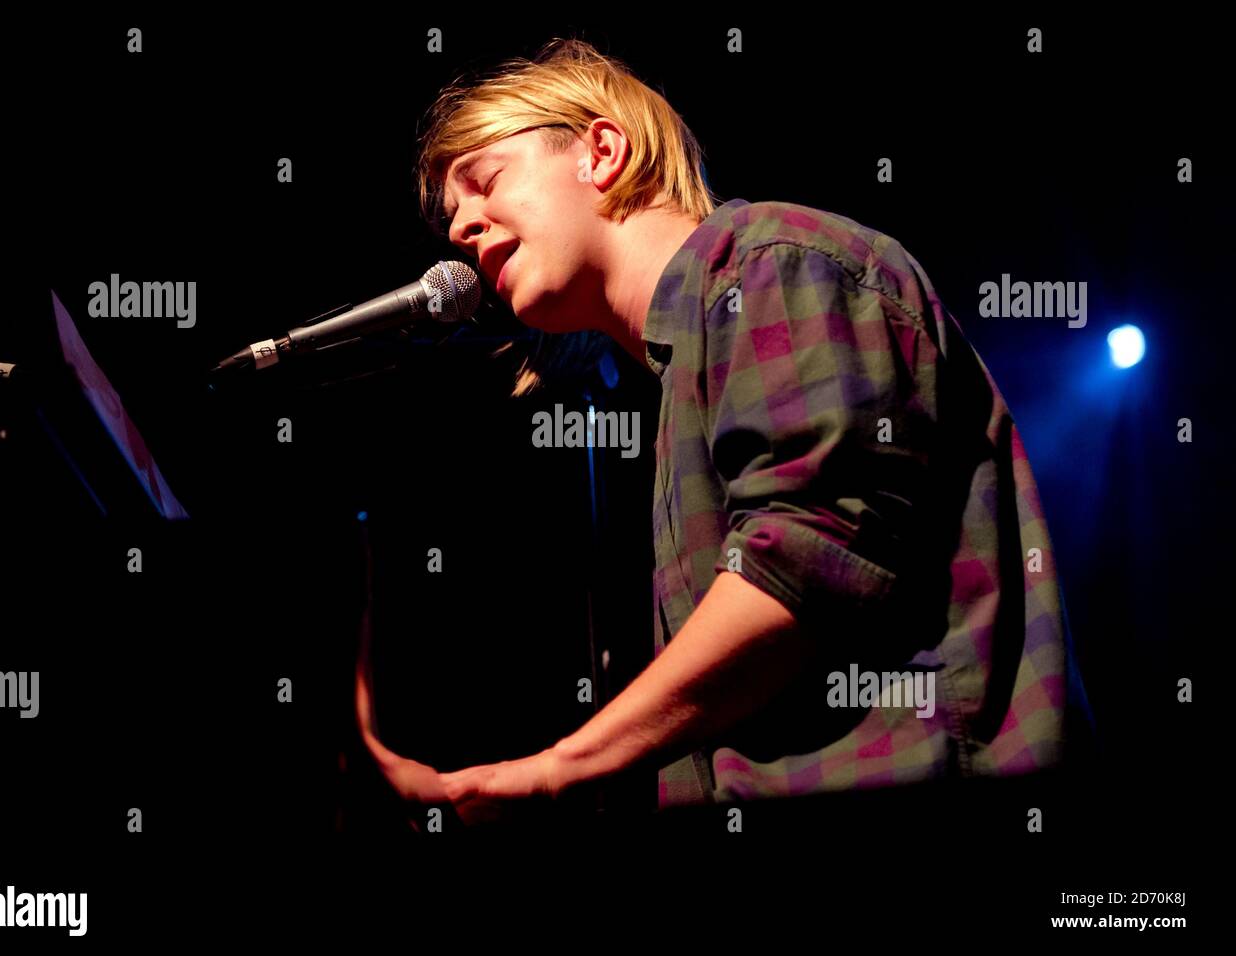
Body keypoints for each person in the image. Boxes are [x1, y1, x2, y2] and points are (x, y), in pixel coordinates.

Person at [356, 37, 1089, 826]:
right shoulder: (686, 365)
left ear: (601, 150)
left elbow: (808, 560)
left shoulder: (774, 263)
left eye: (484, 181)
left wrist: (555, 770)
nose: (462, 223)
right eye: (453, 210)